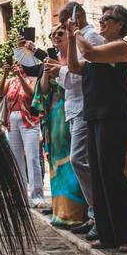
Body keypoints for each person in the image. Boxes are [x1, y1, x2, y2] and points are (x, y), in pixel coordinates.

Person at [66, 4, 127, 252]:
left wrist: (77, 33)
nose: (103, 20)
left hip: (114, 116)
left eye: (109, 18)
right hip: (96, 115)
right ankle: (107, 234)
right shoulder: (99, 51)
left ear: (120, 25)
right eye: (103, 16)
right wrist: (71, 38)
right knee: (99, 177)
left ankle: (126, 235)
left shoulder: (121, 48)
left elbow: (91, 54)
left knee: (113, 176)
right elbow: (75, 67)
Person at [54, 1, 104, 240]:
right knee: (82, 161)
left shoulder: (91, 37)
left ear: (78, 17)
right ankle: (95, 213)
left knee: (78, 159)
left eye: (66, 23)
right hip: (74, 108)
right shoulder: (78, 38)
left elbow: (80, 76)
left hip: (86, 106)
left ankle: (99, 213)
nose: (65, 28)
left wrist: (59, 71)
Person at [37, 26, 87, 227]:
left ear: (68, 36)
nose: (55, 37)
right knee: (56, 161)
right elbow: (44, 89)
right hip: (55, 113)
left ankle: (76, 212)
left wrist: (59, 67)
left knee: (73, 159)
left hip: (73, 109)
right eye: (52, 35)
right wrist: (46, 71)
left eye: (59, 34)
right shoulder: (52, 59)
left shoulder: (75, 59)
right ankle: (60, 211)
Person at [0, 61, 44, 207]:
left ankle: (37, 196)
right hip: (13, 120)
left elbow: (30, 93)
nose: (18, 66)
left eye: (21, 64)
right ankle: (20, 196)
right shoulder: (11, 81)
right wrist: (5, 74)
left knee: (32, 157)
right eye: (17, 64)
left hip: (29, 120)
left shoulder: (33, 79)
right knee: (16, 160)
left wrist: (20, 76)